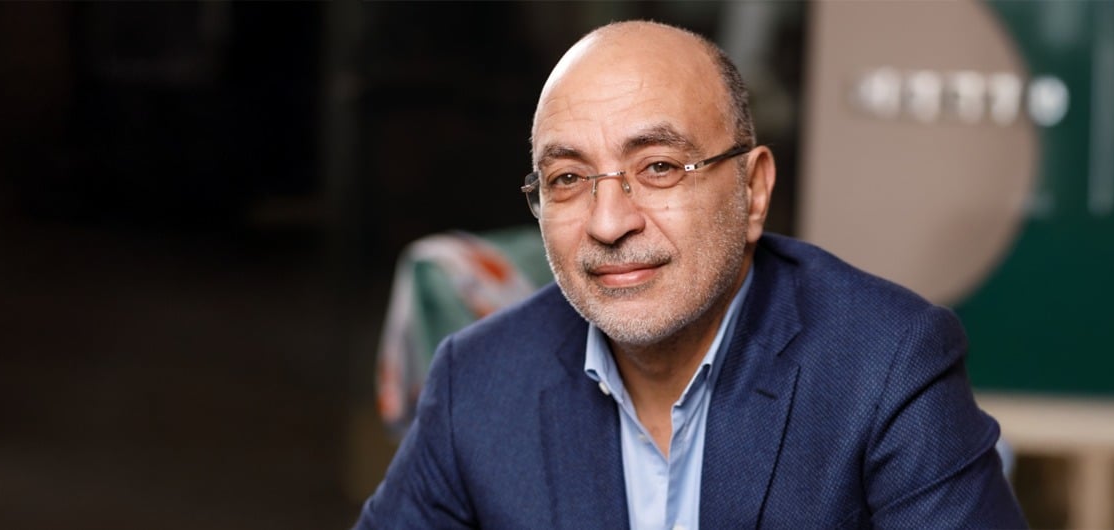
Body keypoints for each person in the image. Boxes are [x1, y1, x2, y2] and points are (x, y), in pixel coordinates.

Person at [355, 20, 1026, 529]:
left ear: (753, 192)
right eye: (568, 178)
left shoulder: (885, 365)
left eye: (658, 167)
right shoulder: (477, 383)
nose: (609, 222)